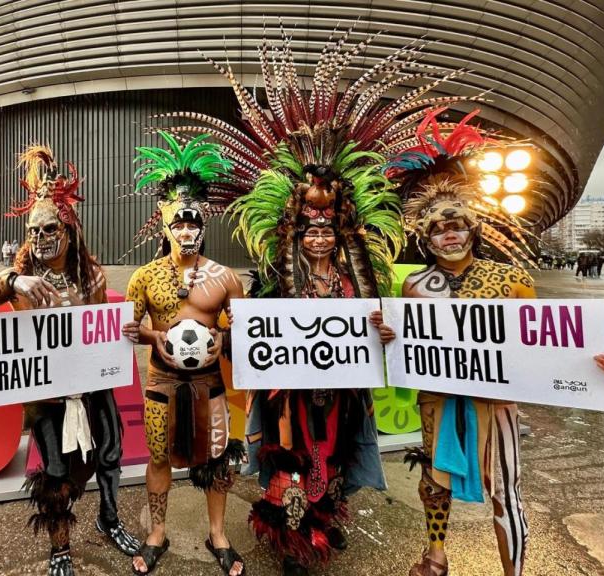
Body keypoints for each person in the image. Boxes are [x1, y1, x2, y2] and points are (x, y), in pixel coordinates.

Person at [160, 30, 478, 575]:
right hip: (293, 397)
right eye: (309, 231)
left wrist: (381, 333)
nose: (319, 239)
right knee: (295, 455)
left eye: (328, 230)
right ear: (295, 233)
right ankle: (293, 538)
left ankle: (326, 521)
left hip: (341, 391)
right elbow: (253, 330)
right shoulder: (272, 278)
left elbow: (379, 330)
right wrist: (241, 328)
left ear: (342, 232)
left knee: (332, 457)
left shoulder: (360, 279)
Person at [374, 109, 604, 576]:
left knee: (505, 489)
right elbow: (404, 343)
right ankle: (435, 553)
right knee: (433, 480)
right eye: (436, 228)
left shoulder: (511, 279)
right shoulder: (413, 287)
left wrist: (597, 363)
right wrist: (387, 334)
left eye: (457, 225)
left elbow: (548, 343)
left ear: (475, 229)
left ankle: (513, 570)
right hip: (439, 399)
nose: (448, 233)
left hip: (497, 402)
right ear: (424, 239)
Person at [0, 145, 140, 576]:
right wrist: (11, 280)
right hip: (47, 394)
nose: (41, 237)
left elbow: (101, 329)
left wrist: (123, 333)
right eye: (33, 230)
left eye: (50, 228)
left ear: (68, 230)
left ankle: (109, 519)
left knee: (111, 454)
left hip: (92, 386)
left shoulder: (91, 275)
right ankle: (60, 547)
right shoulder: (19, 283)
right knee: (57, 474)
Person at [122, 133, 245, 576]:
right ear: (165, 227)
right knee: (158, 458)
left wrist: (223, 340)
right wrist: (153, 338)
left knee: (216, 457)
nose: (187, 230)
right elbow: (130, 331)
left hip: (210, 384)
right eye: (179, 224)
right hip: (162, 383)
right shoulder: (144, 277)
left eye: (193, 223)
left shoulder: (226, 278)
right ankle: (157, 532)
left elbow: (247, 332)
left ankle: (217, 533)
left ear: (204, 225)